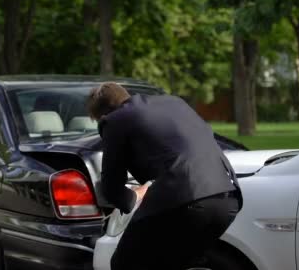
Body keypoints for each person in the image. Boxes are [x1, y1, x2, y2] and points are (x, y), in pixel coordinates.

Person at [87, 82, 243, 270]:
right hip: (227, 198)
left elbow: (111, 189)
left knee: (124, 263)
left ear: (104, 114)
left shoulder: (114, 121)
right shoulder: (175, 103)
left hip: (183, 202)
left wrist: (135, 195)